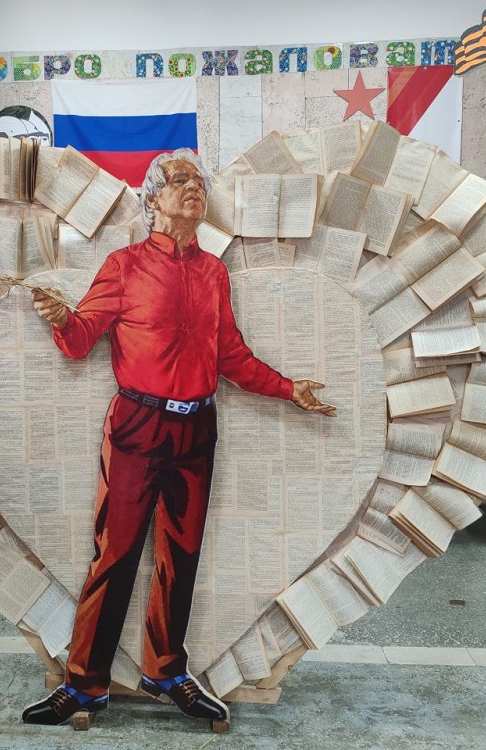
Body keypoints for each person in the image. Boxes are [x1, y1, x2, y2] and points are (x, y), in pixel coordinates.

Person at [22, 149, 335, 726]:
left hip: (197, 428)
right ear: (153, 199)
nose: (194, 188)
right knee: (115, 555)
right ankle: (84, 684)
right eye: (180, 180)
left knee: (180, 556)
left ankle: (165, 671)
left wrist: (290, 389)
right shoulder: (123, 266)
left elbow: (230, 355)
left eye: (200, 182)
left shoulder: (213, 272)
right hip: (137, 427)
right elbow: (81, 340)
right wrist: (64, 319)